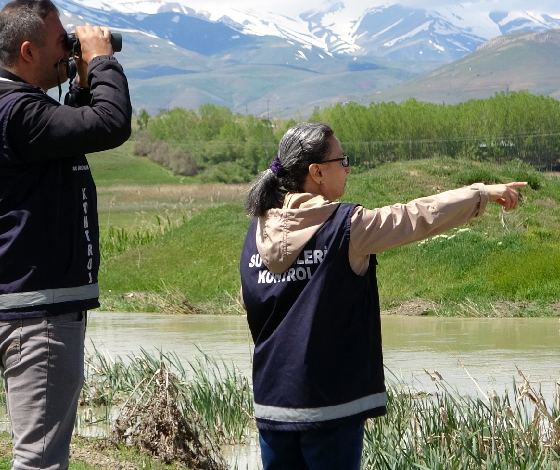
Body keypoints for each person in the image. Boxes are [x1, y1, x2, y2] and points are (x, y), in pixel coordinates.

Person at [239, 123, 526, 470]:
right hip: (331, 407)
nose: (348, 168)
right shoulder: (346, 227)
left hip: (271, 405)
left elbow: (254, 311)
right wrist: (480, 193)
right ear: (316, 172)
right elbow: (417, 216)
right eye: (341, 161)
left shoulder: (255, 234)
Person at [0, 0, 131, 468]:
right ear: (28, 51)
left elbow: (64, 137)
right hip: (37, 312)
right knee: (41, 459)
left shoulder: (15, 111)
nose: (70, 50)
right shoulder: (18, 112)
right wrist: (101, 61)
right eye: (63, 43)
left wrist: (78, 85)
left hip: (18, 303)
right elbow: (110, 124)